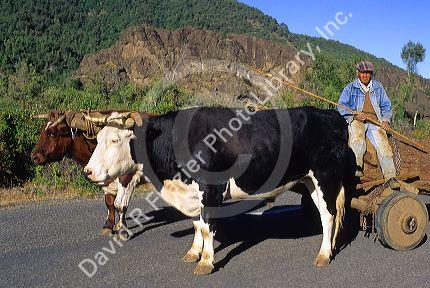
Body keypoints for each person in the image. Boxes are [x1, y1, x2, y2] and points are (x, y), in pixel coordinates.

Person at [338, 60, 396, 180]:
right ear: (358, 73)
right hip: (358, 120)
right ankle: (357, 167)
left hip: (375, 122)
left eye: (368, 73)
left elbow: (386, 105)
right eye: (362, 72)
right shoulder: (350, 88)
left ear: (371, 74)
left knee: (385, 147)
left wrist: (385, 120)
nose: (365, 75)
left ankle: (391, 177)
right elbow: (341, 106)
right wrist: (353, 116)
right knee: (358, 138)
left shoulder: (378, 87)